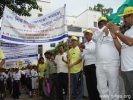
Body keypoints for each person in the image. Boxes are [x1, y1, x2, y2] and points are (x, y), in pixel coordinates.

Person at [107, 6, 133, 100]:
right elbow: (120, 48)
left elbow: (130, 42)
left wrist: (117, 32)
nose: (124, 19)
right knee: (128, 94)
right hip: (126, 68)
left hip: (132, 68)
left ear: (132, 16)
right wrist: (114, 36)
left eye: (125, 17)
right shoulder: (127, 32)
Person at [92, 16, 120, 100]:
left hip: (112, 64)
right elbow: (94, 37)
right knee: (101, 87)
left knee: (114, 87)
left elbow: (119, 45)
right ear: (98, 26)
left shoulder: (115, 33)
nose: (103, 26)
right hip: (100, 65)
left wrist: (109, 31)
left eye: (105, 23)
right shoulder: (97, 35)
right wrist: (104, 28)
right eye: (100, 24)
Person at [79, 30, 101, 100]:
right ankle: (91, 97)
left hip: (93, 65)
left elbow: (94, 51)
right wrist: (81, 51)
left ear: (92, 35)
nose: (87, 36)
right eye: (86, 35)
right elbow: (81, 56)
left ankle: (97, 98)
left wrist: (85, 48)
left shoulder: (95, 43)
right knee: (89, 84)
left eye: (89, 34)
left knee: (95, 83)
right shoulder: (85, 44)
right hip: (87, 65)